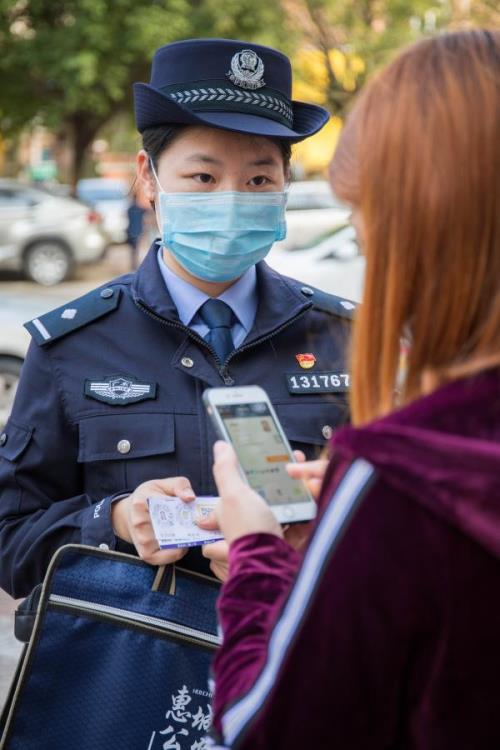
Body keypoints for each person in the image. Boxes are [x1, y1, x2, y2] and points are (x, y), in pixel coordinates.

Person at [202, 29, 500, 748]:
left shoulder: (403, 473)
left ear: (416, 232)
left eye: (368, 237)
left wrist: (257, 552)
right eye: (205, 177)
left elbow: (265, 728)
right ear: (149, 178)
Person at [0, 38, 355, 599]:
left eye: (259, 180)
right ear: (148, 178)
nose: (233, 200)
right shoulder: (71, 346)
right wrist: (115, 522)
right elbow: (10, 542)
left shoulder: (343, 340)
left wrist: (318, 536)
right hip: (134, 670)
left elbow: (406, 538)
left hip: (299, 667)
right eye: (204, 178)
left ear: (285, 185)